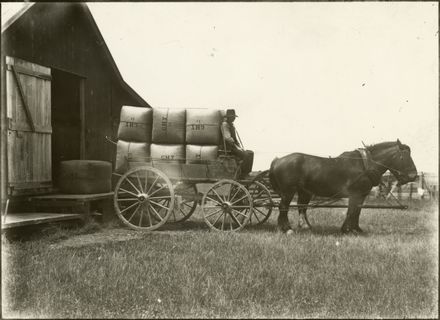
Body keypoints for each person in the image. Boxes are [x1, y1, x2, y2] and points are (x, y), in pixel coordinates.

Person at [221, 109, 254, 178]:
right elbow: (227, 138)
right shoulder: (225, 124)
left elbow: (235, 139)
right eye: (232, 117)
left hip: (234, 146)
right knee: (246, 155)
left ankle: (246, 172)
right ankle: (242, 174)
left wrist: (240, 147)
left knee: (251, 153)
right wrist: (236, 147)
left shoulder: (231, 125)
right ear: (228, 117)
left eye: (234, 117)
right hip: (229, 148)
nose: (234, 118)